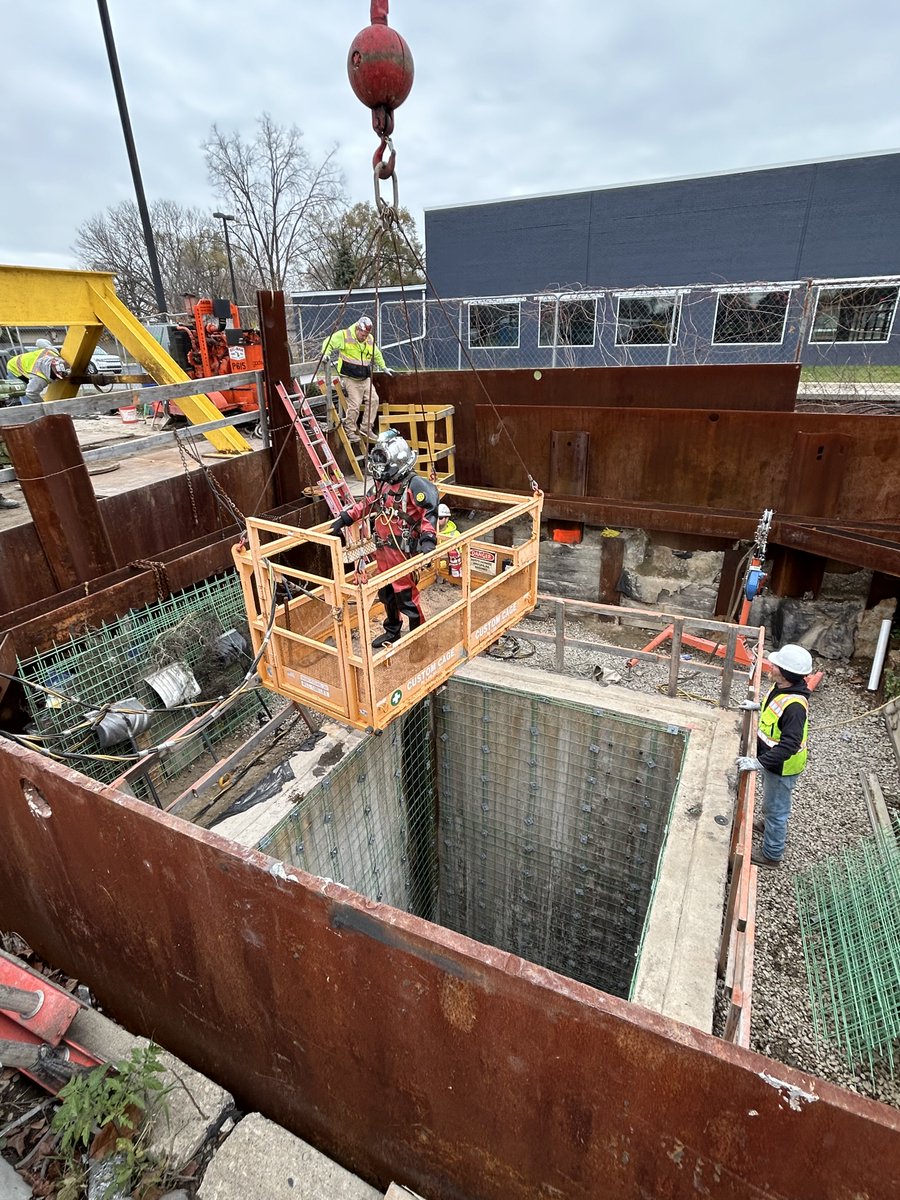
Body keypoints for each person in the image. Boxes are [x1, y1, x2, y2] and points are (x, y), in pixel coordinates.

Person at [330, 430, 438, 648]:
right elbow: (367, 503)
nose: (380, 468)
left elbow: (429, 511)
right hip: (384, 552)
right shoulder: (383, 484)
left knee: (406, 597)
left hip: (402, 552)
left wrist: (428, 540)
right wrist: (345, 518)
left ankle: (420, 636)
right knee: (387, 593)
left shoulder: (415, 485)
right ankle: (392, 631)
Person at [736, 643, 813, 869]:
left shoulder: (796, 707)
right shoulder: (782, 687)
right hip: (773, 762)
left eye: (776, 665)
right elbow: (773, 709)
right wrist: (757, 706)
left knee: (777, 811)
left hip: (783, 767)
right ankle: (766, 826)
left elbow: (789, 745)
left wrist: (758, 762)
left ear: (786, 673)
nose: (772, 666)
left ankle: (772, 855)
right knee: (772, 804)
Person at [321, 316, 390, 445]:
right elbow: (328, 342)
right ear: (358, 329)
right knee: (355, 405)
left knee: (374, 400)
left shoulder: (369, 340)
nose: (364, 338)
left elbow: (377, 353)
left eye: (366, 335)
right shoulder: (345, 335)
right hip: (350, 378)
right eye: (363, 335)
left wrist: (384, 366)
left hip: (365, 378)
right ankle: (350, 431)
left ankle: (366, 428)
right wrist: (326, 353)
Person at [5, 339, 70, 406]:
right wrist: (43, 405)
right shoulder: (40, 378)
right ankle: (31, 414)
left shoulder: (53, 352)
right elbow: (31, 393)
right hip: (14, 367)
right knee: (25, 395)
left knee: (30, 388)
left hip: (25, 364)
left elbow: (40, 341)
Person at [437, 502, 462, 578]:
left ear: (447, 518)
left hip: (448, 572)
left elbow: (460, 555)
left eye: (440, 518)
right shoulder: (429, 531)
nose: (437, 520)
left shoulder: (455, 535)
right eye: (436, 517)